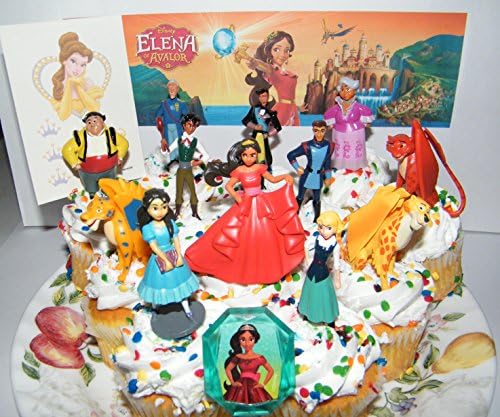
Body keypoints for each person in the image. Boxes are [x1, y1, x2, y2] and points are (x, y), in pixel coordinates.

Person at [184, 138, 305, 284]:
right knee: (234, 232)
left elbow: (272, 180)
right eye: (245, 155)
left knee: (267, 233)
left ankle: (269, 266)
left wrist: (285, 177)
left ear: (257, 155)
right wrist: (237, 197)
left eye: (253, 155)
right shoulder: (239, 171)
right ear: (241, 156)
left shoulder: (260, 168)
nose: (249, 158)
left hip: (261, 202)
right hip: (245, 203)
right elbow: (229, 186)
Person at [136, 188, 199, 319]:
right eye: (155, 208)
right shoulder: (148, 228)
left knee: (181, 286)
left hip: (173, 254)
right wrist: (165, 260)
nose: (160, 212)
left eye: (164, 207)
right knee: (157, 286)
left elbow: (176, 239)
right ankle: (155, 308)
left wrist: (178, 255)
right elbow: (154, 247)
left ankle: (186, 308)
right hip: (159, 257)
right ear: (147, 209)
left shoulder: (169, 223)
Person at [244, 31, 306, 127]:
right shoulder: (272, 70)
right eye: (277, 49)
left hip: (292, 110)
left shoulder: (284, 72)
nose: (282, 54)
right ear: (270, 51)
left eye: (286, 50)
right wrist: (254, 61)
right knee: (277, 132)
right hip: (283, 111)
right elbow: (263, 66)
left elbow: (289, 98)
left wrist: (298, 108)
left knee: (293, 133)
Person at [62, 112, 128, 196]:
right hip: (88, 172)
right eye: (89, 122)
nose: (92, 124)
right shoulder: (80, 138)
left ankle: (109, 194)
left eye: (95, 121)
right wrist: (74, 163)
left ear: (102, 122)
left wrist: (120, 157)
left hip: (109, 170)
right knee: (91, 188)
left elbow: (124, 143)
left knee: (109, 186)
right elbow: (67, 149)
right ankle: (92, 194)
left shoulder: (112, 135)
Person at [298, 211, 343, 325]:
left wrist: (337, 279)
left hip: (323, 273)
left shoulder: (335, 245)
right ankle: (307, 313)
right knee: (309, 293)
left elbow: (336, 264)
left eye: (329, 228)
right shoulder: (317, 238)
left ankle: (328, 318)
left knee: (324, 296)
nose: (324, 231)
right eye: (321, 227)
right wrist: (307, 260)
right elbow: (306, 245)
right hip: (312, 269)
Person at [161, 113, 208, 219]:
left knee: (193, 192)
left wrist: (197, 162)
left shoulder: (195, 141)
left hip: (189, 171)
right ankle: (177, 212)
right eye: (189, 125)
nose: (192, 128)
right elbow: (166, 152)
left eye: (194, 126)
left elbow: (206, 156)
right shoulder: (178, 140)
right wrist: (163, 146)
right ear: (184, 125)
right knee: (179, 192)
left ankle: (195, 212)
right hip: (181, 170)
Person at [287, 120, 334, 222]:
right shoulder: (307, 145)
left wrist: (328, 177)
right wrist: (297, 167)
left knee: (317, 199)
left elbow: (327, 163)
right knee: (300, 196)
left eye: (322, 130)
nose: (319, 134)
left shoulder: (329, 146)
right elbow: (291, 155)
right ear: (313, 130)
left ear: (326, 130)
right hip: (307, 175)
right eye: (316, 130)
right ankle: (294, 215)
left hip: (318, 177)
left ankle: (317, 219)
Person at [323, 76, 374, 170]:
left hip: (355, 133)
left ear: (354, 91)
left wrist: (365, 123)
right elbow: (329, 118)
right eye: (342, 90)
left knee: (354, 151)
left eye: (348, 89)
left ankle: (355, 167)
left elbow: (367, 120)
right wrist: (329, 125)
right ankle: (339, 167)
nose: (345, 92)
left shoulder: (359, 108)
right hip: (338, 133)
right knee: (340, 150)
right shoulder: (336, 109)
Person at [51, 32, 104, 121]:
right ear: (64, 60)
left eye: (83, 65)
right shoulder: (59, 87)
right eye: (73, 61)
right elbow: (63, 116)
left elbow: (95, 110)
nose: (78, 69)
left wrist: (78, 86)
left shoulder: (87, 83)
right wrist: (69, 84)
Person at [224, 324, 274, 404]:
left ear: (255, 340)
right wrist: (233, 383)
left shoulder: (259, 357)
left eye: (251, 339)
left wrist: (263, 384)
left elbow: (271, 370)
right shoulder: (238, 357)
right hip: (240, 386)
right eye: (243, 339)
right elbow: (228, 369)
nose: (247, 343)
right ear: (239, 340)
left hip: (254, 386)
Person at [241, 87, 282, 172]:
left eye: (265, 96)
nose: (263, 98)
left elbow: (278, 127)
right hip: (255, 135)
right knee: (251, 152)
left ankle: (268, 170)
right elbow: (245, 120)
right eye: (261, 96)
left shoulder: (271, 112)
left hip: (264, 136)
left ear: (268, 97)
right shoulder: (254, 109)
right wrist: (254, 126)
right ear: (259, 98)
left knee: (266, 155)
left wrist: (268, 134)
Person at [155, 79, 189, 161]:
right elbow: (158, 115)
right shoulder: (164, 103)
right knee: (170, 146)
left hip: (178, 127)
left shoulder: (181, 103)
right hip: (167, 127)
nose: (172, 90)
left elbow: (186, 116)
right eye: (170, 88)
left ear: (177, 89)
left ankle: (180, 162)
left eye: (174, 88)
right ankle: (172, 162)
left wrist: (184, 127)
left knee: (178, 145)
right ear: (168, 89)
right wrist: (160, 125)